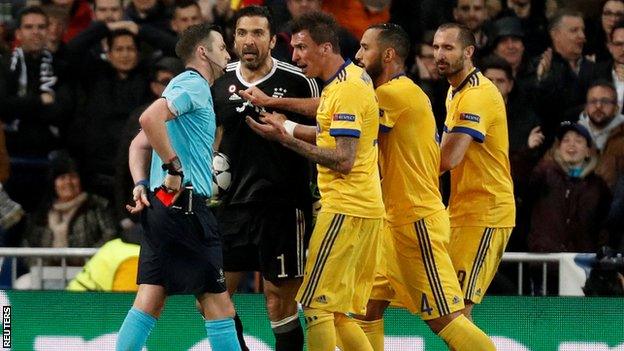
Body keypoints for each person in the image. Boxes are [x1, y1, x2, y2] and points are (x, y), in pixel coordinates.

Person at [352, 23, 495, 351]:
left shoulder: (395, 94)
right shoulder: (435, 92)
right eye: (436, 47)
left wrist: (287, 127)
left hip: (417, 220)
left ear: (387, 55)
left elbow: (342, 123)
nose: (357, 56)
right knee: (368, 306)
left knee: (447, 317)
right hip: (394, 220)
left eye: (365, 48)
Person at [246, 11, 384, 351]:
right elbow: (324, 112)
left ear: (325, 47)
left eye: (302, 48)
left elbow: (343, 158)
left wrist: (285, 140)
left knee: (316, 306)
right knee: (336, 312)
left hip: (345, 209)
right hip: (362, 209)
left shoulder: (348, 89)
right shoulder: (347, 81)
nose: (295, 57)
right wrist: (279, 112)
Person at [115, 23, 241, 351]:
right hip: (185, 208)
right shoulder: (193, 84)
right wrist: (174, 165)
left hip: (163, 205)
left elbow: (138, 145)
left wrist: (141, 183)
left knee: (151, 299)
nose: (228, 54)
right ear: (203, 52)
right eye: (222, 48)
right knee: (219, 305)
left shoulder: (180, 88)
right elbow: (148, 120)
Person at [211, 6, 319, 351]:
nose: (249, 41)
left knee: (278, 303)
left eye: (258, 33)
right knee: (212, 298)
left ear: (273, 40)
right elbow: (213, 135)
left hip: (284, 207)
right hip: (229, 207)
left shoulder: (297, 81)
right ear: (234, 38)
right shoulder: (219, 79)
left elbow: (323, 131)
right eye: (242, 33)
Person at [434, 23, 515, 321]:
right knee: (446, 308)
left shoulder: (477, 96)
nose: (439, 54)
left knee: (456, 313)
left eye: (448, 48)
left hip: (486, 212)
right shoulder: (455, 91)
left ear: (468, 52)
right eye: (436, 47)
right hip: (460, 210)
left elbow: (448, 158)